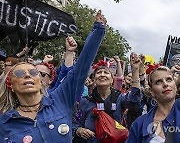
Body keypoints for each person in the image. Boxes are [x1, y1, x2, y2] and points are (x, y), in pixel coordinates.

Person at [0, 11, 107, 142]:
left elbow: (81, 68)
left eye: (34, 73)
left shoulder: (60, 99)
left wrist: (98, 29)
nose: (28, 75)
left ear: (40, 81)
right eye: (20, 73)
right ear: (10, 84)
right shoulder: (4, 123)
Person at [73, 53, 142, 143]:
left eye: (106, 72)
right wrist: (79, 131)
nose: (102, 75)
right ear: (94, 79)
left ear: (112, 80)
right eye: (98, 73)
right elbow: (76, 124)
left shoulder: (120, 98)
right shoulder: (85, 101)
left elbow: (135, 98)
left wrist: (135, 71)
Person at [127, 65, 180, 143]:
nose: (165, 84)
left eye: (169, 80)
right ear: (151, 91)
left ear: (175, 86)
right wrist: (135, 70)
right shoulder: (139, 124)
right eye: (158, 82)